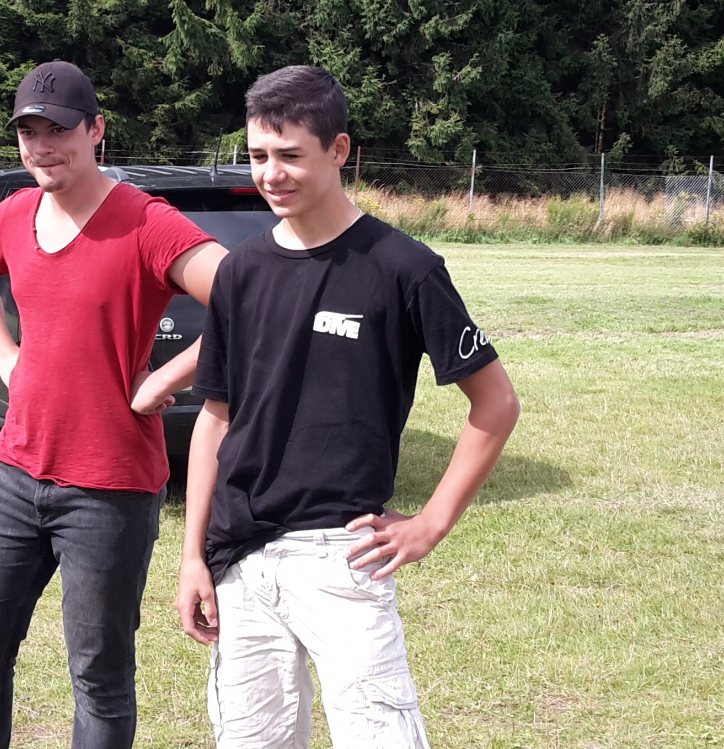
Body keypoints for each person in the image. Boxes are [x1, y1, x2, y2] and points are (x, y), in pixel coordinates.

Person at [174, 65, 521, 749]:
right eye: (258, 156)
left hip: (343, 556)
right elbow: (216, 418)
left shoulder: (404, 268)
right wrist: (192, 556)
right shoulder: (240, 273)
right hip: (240, 559)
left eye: (290, 155)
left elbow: (496, 402)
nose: (271, 174)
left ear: (339, 151)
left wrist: (431, 523)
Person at [0, 61, 226, 749]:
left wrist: (163, 381)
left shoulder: (143, 221)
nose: (43, 147)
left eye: (59, 130)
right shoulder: (15, 213)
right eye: (29, 132)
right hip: (14, 475)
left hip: (110, 489)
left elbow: (247, 298)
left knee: (98, 679)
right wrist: (5, 354)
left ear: (96, 130)